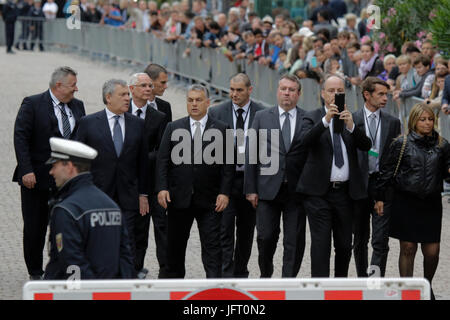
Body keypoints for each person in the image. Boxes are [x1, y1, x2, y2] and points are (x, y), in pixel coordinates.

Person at [13, 66, 86, 280]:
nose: (76, 89)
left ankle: (61, 268)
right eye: (73, 85)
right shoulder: (33, 104)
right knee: (35, 228)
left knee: (65, 227)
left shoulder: (78, 106)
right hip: (36, 179)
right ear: (58, 85)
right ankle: (35, 272)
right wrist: (26, 170)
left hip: (68, 182)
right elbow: (21, 138)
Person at [156, 84, 235, 278]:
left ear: (207, 103)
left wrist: (224, 193)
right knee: (174, 249)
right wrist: (162, 188)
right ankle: (174, 290)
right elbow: (162, 161)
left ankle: (215, 290)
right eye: (190, 100)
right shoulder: (173, 127)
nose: (194, 104)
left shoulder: (222, 129)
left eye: (198, 100)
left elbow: (228, 165)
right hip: (178, 199)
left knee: (212, 250)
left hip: (210, 201)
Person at [296, 75, 372, 277]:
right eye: (331, 91)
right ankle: (320, 288)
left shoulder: (351, 117)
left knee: (345, 245)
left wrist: (351, 126)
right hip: (318, 193)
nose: (335, 95)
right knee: (321, 246)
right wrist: (326, 120)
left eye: (340, 91)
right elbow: (305, 141)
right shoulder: (312, 117)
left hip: (345, 193)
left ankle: (340, 286)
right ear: (323, 93)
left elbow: (366, 145)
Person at [374, 103, 450, 299]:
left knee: (432, 251)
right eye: (422, 119)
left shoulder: (442, 145)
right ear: (414, 121)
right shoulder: (401, 143)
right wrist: (380, 197)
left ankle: (427, 286)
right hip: (406, 202)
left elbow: (446, 174)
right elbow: (387, 172)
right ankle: (407, 290)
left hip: (431, 203)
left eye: (430, 119)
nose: (427, 123)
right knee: (408, 248)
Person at [75, 79, 148, 278]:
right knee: (96, 239)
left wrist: (143, 193)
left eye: (128, 94)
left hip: (128, 195)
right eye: (123, 94)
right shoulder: (88, 123)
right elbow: (77, 162)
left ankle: (128, 280)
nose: (128, 98)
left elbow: (143, 163)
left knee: (128, 240)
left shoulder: (138, 124)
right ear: (108, 98)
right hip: (97, 194)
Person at [43, 138, 135, 279]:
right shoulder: (112, 206)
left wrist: (91, 292)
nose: (51, 172)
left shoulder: (67, 210)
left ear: (69, 166)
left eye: (55, 165)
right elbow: (126, 257)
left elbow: (71, 262)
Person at [244, 74, 308, 278]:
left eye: (291, 90)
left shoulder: (307, 118)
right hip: (267, 189)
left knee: (294, 241)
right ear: (277, 91)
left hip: (296, 191)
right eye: (283, 89)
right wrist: (250, 188)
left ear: (298, 94)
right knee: (265, 237)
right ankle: (266, 275)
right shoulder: (262, 117)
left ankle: (288, 281)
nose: (286, 93)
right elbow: (251, 153)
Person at [208, 73, 264, 278]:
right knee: (224, 229)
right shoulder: (216, 112)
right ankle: (226, 274)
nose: (234, 94)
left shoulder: (262, 113)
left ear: (250, 90)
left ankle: (241, 272)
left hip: (251, 181)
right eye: (231, 89)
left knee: (247, 231)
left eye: (239, 90)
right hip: (226, 181)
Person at [352, 77, 401, 277]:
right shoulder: (353, 120)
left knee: (380, 240)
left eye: (386, 94)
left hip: (382, 185)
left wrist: (384, 189)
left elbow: (393, 159)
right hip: (359, 185)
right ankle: (362, 279)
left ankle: (375, 280)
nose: (385, 98)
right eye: (380, 94)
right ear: (367, 95)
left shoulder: (392, 122)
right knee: (360, 238)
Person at [127, 73, 169, 279]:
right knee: (137, 229)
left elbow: (163, 151)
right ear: (131, 89)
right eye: (143, 85)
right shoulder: (122, 112)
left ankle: (166, 271)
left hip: (153, 183)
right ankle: (134, 268)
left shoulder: (158, 117)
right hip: (129, 183)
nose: (148, 89)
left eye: (150, 85)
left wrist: (138, 156)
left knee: (162, 229)